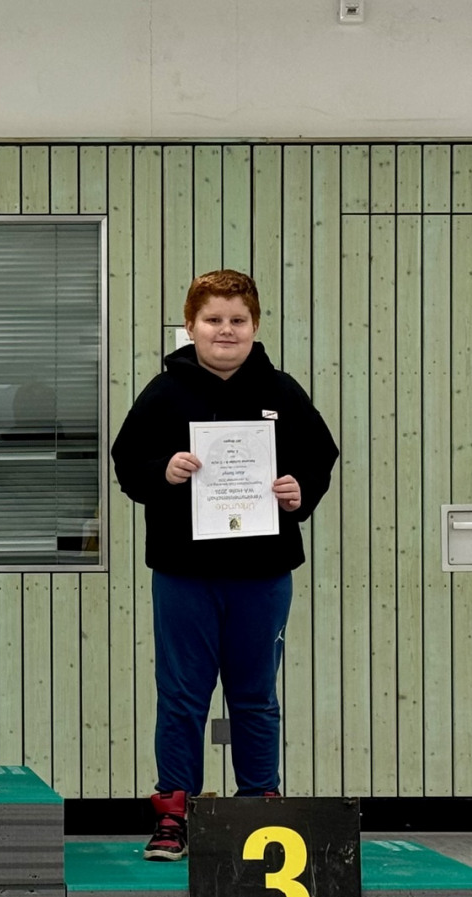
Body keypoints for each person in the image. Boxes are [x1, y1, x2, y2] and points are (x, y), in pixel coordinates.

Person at [111, 269, 338, 862]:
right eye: (212, 319)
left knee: (255, 696)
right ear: (190, 326)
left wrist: (300, 490)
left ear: (255, 325)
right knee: (181, 696)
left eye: (238, 320)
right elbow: (127, 462)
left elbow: (320, 457)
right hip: (183, 573)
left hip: (263, 575)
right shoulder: (164, 393)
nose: (225, 330)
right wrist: (163, 471)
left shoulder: (282, 392)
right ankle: (173, 815)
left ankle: (258, 811)